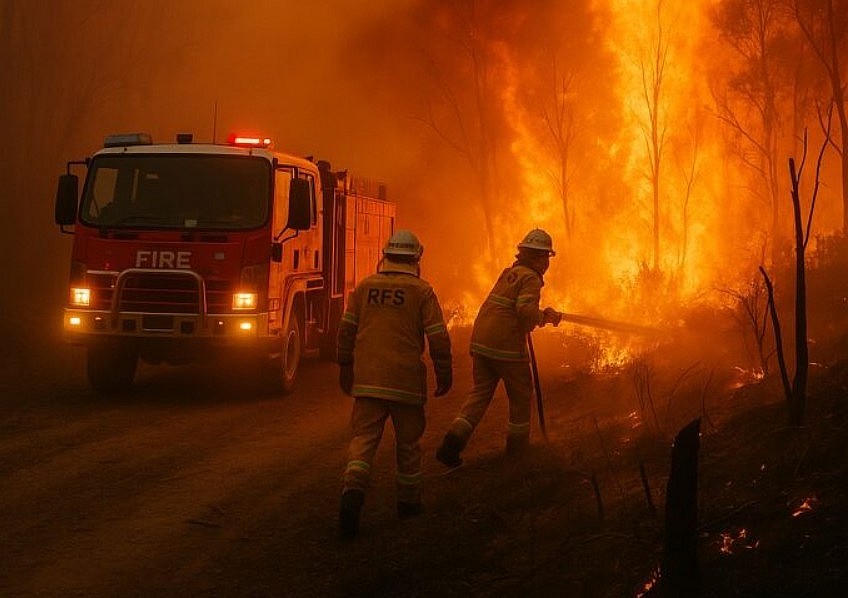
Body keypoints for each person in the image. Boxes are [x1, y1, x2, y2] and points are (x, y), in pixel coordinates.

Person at [337, 229, 453, 538]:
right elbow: (438, 337)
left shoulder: (365, 287)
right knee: (409, 445)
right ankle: (409, 506)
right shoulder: (422, 291)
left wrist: (345, 365)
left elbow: (347, 331)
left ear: (385, 256)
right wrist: (444, 371)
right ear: (415, 259)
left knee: (363, 441)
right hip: (405, 382)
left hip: (369, 380)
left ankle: (352, 495)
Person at [435, 228, 561, 467]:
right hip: (505, 347)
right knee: (521, 397)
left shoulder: (510, 273)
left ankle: (451, 444)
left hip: (482, 341)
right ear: (537, 257)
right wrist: (544, 317)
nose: (547, 262)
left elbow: (511, 308)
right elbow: (524, 311)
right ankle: (517, 452)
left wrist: (541, 315)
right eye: (545, 257)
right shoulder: (531, 278)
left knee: (479, 395)